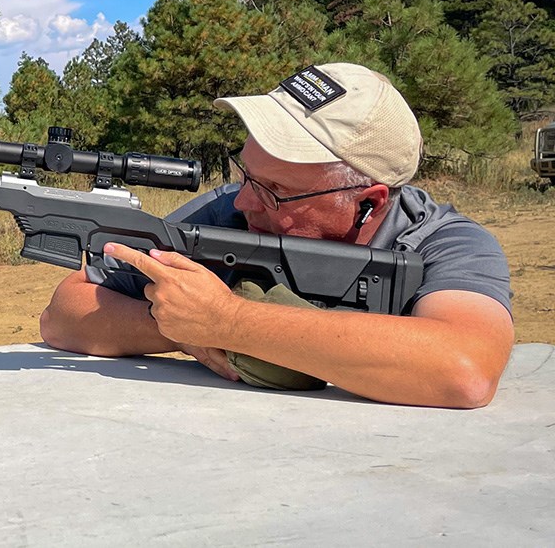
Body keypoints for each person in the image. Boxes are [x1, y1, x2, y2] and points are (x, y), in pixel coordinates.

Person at [39, 62, 514, 408]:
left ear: (368, 202)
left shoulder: (442, 242)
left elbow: (465, 368)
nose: (243, 201)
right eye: (246, 174)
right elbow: (64, 314)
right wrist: (180, 327)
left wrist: (229, 323)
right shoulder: (226, 213)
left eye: (274, 191)